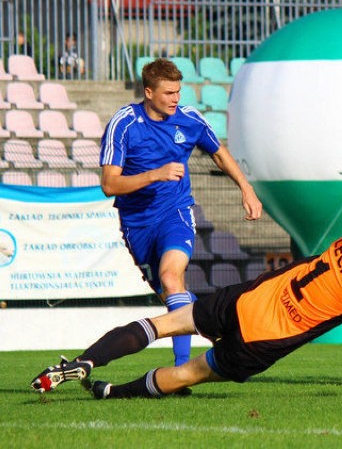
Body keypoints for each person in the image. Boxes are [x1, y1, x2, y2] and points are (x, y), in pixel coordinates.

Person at [30, 203, 342, 399]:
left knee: (162, 323)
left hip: (246, 300)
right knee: (187, 375)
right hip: (264, 340)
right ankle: (113, 394)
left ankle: (85, 361)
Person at [99, 58, 263, 368]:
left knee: (172, 279)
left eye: (178, 92)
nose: (176, 99)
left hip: (176, 212)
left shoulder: (189, 119)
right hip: (137, 224)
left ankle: (180, 370)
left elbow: (219, 152)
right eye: (168, 93)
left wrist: (247, 188)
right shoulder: (124, 124)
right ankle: (220, 336)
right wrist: (154, 174)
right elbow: (109, 184)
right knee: (171, 298)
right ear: (148, 92)